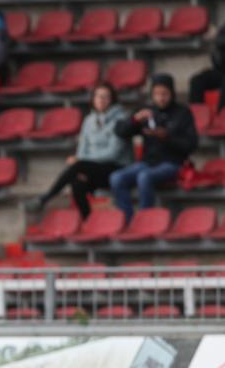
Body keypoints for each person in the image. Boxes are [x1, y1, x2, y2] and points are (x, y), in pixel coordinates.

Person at [26, 83, 131, 217]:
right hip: (92, 168)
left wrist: (82, 161)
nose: (101, 100)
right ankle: (87, 220)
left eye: (106, 97)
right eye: (98, 96)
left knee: (78, 165)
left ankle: (45, 198)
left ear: (112, 100)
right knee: (76, 182)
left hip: (116, 168)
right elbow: (82, 149)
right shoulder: (89, 120)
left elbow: (112, 154)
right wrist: (83, 163)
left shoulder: (121, 120)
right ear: (93, 98)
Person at [111, 73, 198, 221]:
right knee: (117, 178)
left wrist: (167, 137)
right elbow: (120, 132)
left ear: (172, 93)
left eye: (165, 93)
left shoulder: (182, 113)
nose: (161, 98)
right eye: (157, 94)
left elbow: (191, 145)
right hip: (148, 162)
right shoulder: (146, 111)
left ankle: (146, 220)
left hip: (173, 163)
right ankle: (127, 220)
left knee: (144, 177)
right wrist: (135, 120)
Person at [188, 23, 225, 110]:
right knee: (197, 80)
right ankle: (197, 113)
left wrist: (215, 38)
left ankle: (221, 114)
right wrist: (215, 39)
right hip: (221, 70)